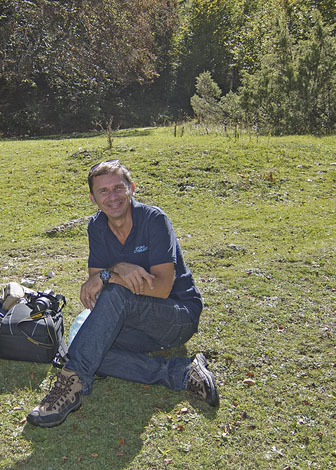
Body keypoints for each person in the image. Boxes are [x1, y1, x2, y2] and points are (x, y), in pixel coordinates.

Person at [27, 159, 218, 428]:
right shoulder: (97, 227)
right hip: (135, 325)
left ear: (132, 189)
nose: (112, 197)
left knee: (112, 299)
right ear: (93, 198)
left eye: (118, 188)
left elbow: (162, 289)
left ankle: (70, 385)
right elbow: (95, 284)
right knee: (91, 350)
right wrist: (116, 268)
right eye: (103, 191)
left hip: (176, 316)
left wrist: (109, 278)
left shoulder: (154, 220)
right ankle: (182, 373)